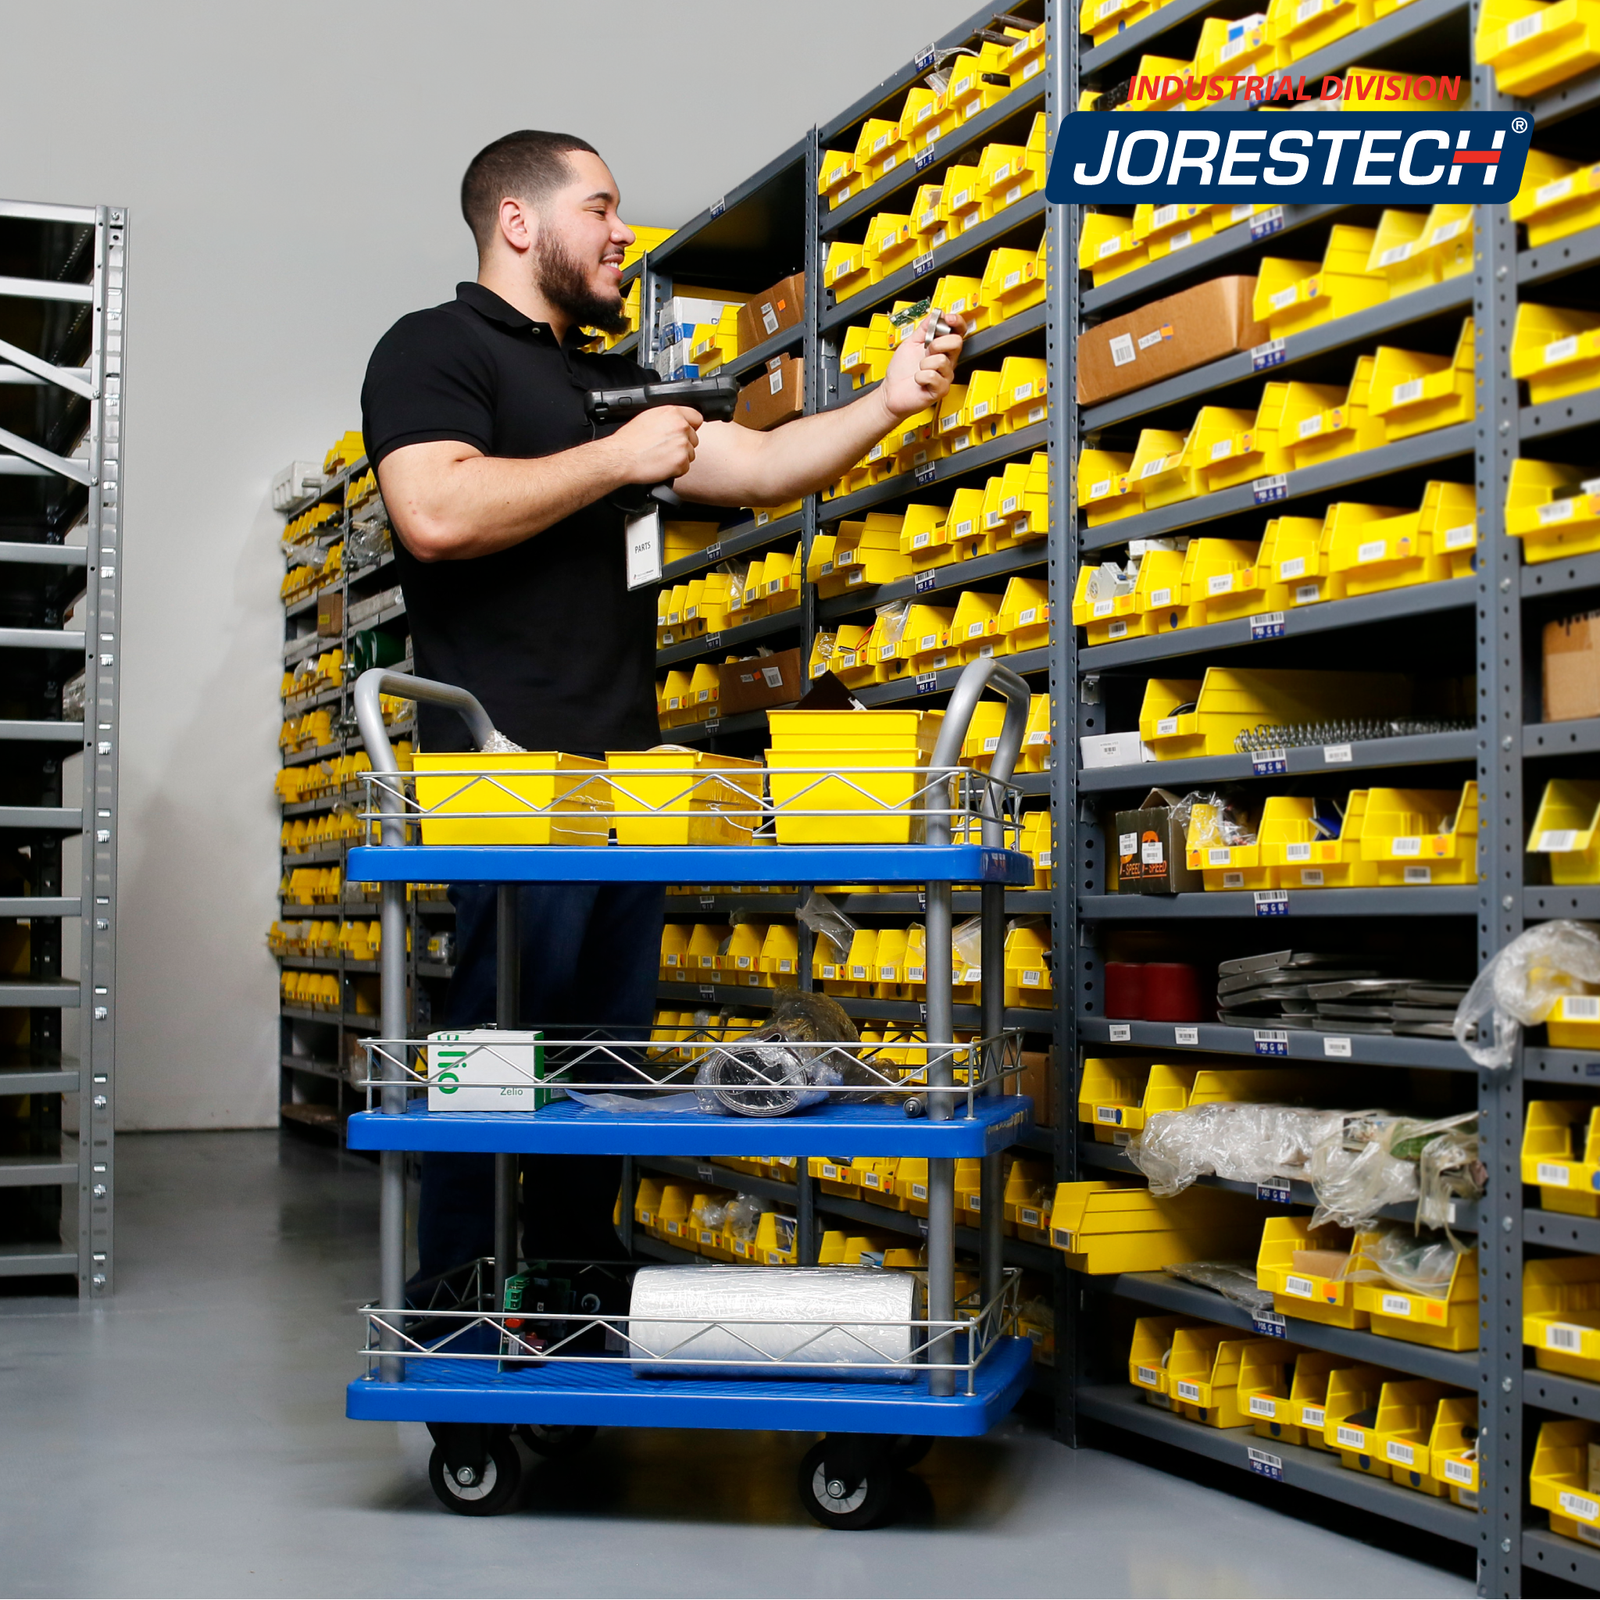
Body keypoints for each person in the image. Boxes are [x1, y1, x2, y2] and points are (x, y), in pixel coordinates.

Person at [360, 128, 967, 1287]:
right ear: (520, 222)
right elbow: (433, 511)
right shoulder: (433, 349)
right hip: (508, 779)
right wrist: (616, 457)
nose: (623, 230)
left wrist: (889, 401)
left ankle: (579, 1294)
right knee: (495, 1064)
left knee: (600, 1073)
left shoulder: (605, 376)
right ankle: (463, 1309)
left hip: (627, 776)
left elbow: (760, 469)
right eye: (600, 206)